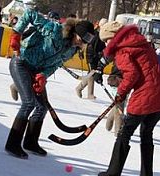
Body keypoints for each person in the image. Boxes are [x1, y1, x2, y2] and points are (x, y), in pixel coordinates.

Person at [5, 0, 95, 159]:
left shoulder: (72, 49)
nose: (82, 42)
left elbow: (55, 64)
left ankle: (30, 142)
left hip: (36, 71)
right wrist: (16, 33)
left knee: (41, 107)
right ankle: (12, 144)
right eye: (82, 38)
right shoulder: (54, 29)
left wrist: (43, 76)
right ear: (75, 31)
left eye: (86, 41)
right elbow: (29, 14)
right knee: (28, 103)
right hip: (21, 62)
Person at [93, 21, 160, 176]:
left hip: (146, 95)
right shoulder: (140, 43)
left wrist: (120, 93)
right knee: (146, 133)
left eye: (106, 40)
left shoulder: (123, 50)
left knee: (125, 133)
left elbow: (132, 74)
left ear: (114, 37)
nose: (106, 44)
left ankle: (112, 173)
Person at [75, 19, 106, 99]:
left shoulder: (102, 34)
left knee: (92, 73)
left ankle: (80, 88)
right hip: (91, 55)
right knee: (92, 73)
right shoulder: (96, 33)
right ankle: (89, 93)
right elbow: (90, 45)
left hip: (96, 56)